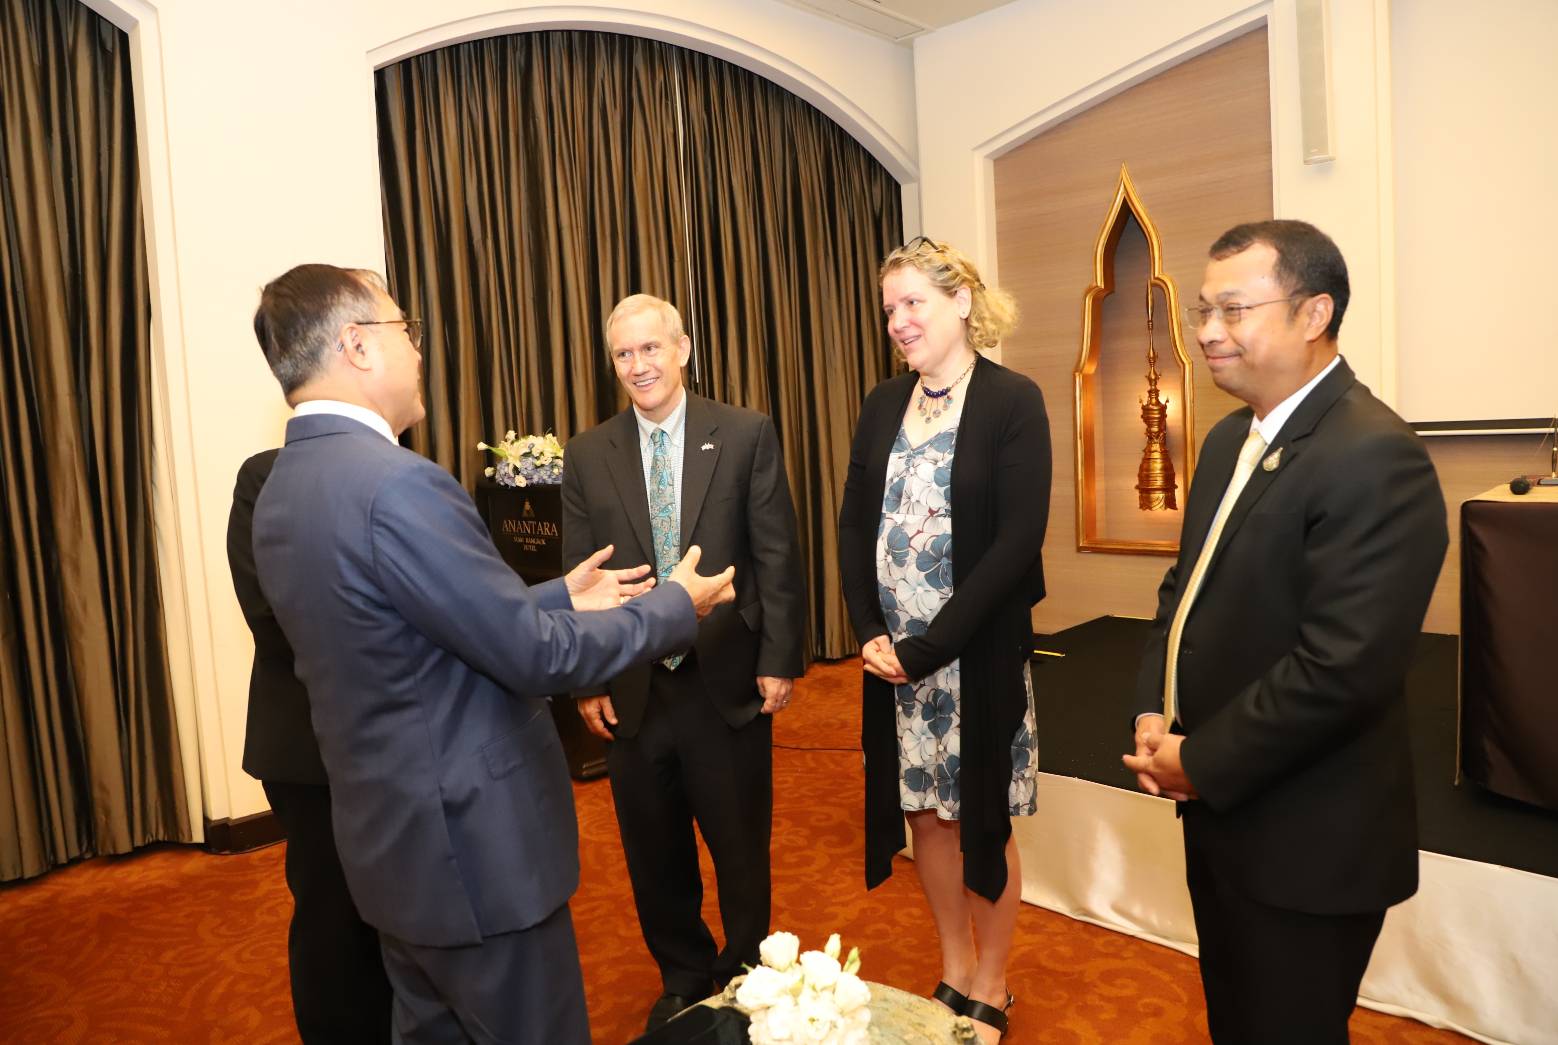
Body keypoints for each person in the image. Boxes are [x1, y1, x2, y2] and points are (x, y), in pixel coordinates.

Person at [248, 264, 736, 1045]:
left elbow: (405, 634)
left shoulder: (284, 486)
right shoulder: (397, 485)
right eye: (405, 329)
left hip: (392, 849)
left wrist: (557, 595)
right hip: (474, 854)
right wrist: (673, 606)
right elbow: (534, 657)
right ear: (357, 345)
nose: (418, 350)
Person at [1121, 220, 1447, 1044]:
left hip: (1309, 839)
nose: (1206, 332)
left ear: (1313, 314)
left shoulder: (1374, 454)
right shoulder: (1228, 438)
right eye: (1203, 311)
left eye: (1232, 310)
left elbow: (1343, 666)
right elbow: (1182, 593)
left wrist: (1200, 759)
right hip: (1226, 817)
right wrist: (1153, 710)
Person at [562, 293, 806, 1032]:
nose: (638, 365)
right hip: (634, 686)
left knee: (739, 847)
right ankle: (681, 974)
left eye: (650, 348)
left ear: (683, 349)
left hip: (724, 682)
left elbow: (776, 554)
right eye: (623, 354)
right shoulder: (588, 453)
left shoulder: (744, 433)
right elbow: (579, 577)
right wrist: (587, 679)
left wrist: (779, 657)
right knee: (653, 848)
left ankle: (746, 975)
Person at [838, 238, 1050, 1044]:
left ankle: (991, 982)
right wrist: (869, 630)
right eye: (889, 308)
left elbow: (1016, 543)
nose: (897, 320)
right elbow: (853, 523)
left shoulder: (1012, 400)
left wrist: (928, 647)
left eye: (913, 302)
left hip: (973, 656)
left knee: (980, 818)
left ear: (960, 302)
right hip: (894, 661)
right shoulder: (880, 403)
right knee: (924, 815)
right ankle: (955, 967)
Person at [226, 448, 392, 1042]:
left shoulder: (401, 477)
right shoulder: (265, 477)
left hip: (400, 740)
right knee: (332, 917)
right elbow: (271, 615)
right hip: (309, 746)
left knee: (407, 912)